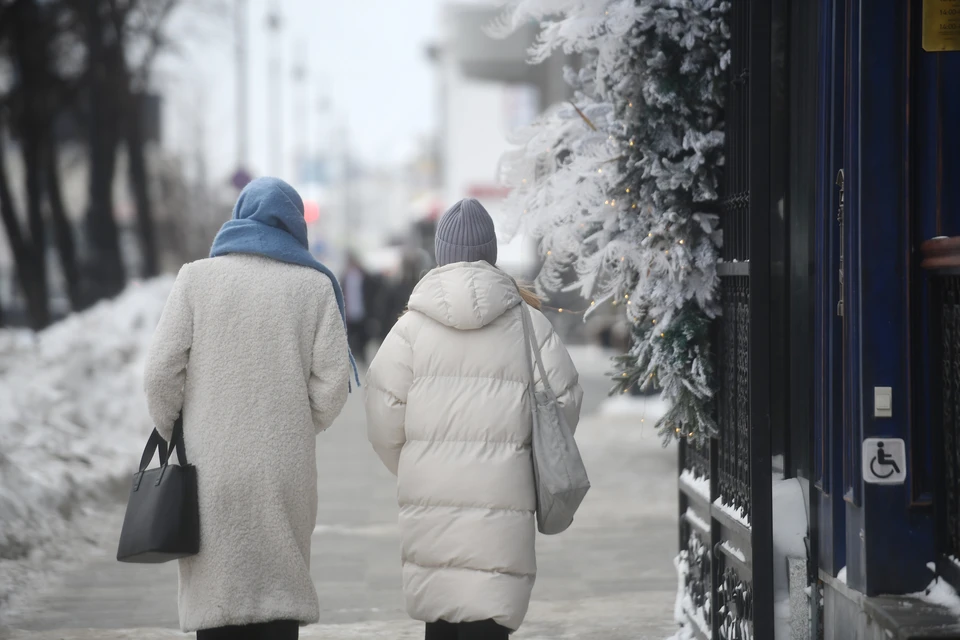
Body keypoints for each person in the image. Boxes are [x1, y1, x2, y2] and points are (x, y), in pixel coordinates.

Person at [143, 177, 356, 640]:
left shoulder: (196, 279)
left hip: (209, 468)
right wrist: (298, 423)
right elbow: (334, 386)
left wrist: (178, 429)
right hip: (285, 468)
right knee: (279, 598)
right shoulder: (314, 287)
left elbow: (160, 373)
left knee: (217, 599)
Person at [364, 198, 584, 639]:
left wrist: (417, 461)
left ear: (441, 254)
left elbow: (382, 415)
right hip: (504, 501)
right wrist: (523, 451)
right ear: (491, 253)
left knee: (441, 620)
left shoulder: (410, 329)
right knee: (490, 619)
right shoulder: (528, 323)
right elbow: (565, 400)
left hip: (432, 501)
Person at [342, 252, 372, 365]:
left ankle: (362, 358)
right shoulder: (345, 277)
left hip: (362, 312)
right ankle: (352, 359)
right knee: (350, 339)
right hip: (350, 313)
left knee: (363, 338)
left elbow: (370, 293)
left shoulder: (363, 276)